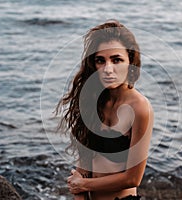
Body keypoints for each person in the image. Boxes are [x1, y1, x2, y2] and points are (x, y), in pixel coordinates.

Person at [56, 20, 153, 200]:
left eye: (116, 60)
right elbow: (84, 160)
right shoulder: (94, 99)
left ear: (131, 61)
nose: (108, 69)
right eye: (101, 60)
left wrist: (83, 184)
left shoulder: (139, 108)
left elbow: (133, 178)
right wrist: (80, 194)